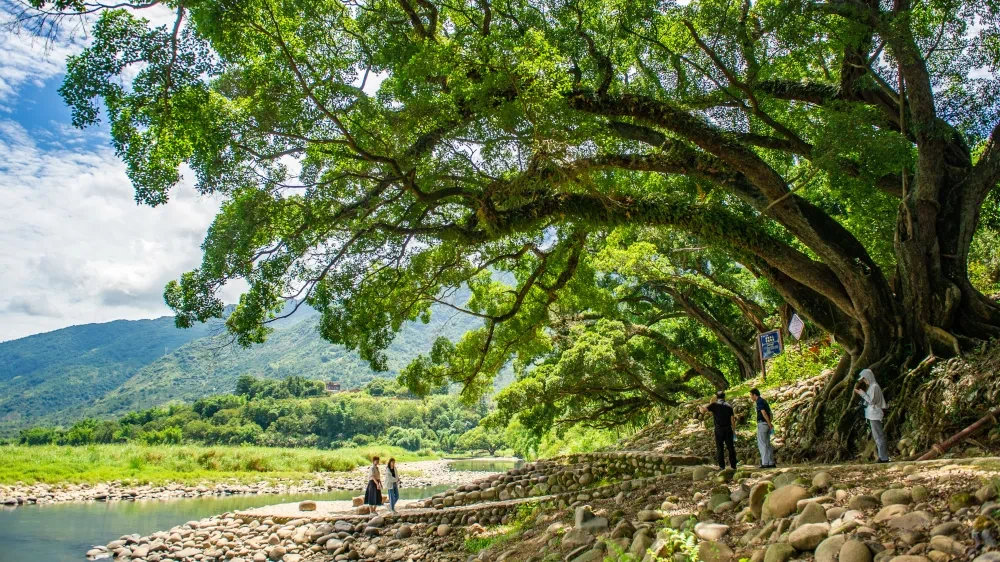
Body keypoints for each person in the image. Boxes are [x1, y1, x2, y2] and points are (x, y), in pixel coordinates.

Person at [854, 369, 890, 463]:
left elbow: (872, 401)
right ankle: (882, 457)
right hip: (872, 414)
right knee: (877, 436)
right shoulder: (871, 387)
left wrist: (862, 394)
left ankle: (884, 458)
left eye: (865, 379)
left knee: (879, 436)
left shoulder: (874, 386)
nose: (864, 381)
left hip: (875, 414)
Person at [699, 390, 737, 470]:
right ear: (724, 397)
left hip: (719, 429)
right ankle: (733, 466)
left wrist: (700, 407)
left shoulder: (714, 405)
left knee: (720, 447)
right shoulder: (729, 406)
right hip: (728, 429)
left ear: (717, 397)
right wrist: (733, 431)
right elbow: (732, 420)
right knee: (730, 447)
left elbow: (703, 411)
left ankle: (721, 466)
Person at [750, 388, 776, 468]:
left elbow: (763, 412)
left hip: (762, 424)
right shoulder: (764, 401)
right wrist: (770, 423)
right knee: (767, 443)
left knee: (762, 444)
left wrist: (768, 423)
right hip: (767, 424)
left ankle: (765, 462)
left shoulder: (759, 402)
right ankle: (771, 462)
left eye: (751, 395)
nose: (751, 397)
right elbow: (770, 413)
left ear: (755, 395)